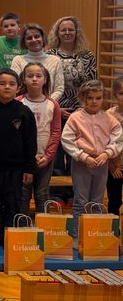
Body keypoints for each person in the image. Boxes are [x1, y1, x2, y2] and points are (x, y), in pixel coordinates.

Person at [0, 68, 37, 249]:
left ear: (18, 88)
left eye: (11, 84)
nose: (7, 87)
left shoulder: (24, 112)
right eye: (2, 83)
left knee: (13, 203)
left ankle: (10, 234)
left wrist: (29, 168)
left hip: (16, 169)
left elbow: (30, 142)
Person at [62, 79, 123, 224]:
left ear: (103, 98)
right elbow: (66, 140)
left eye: (98, 98)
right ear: (83, 98)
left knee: (97, 202)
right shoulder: (75, 118)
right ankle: (77, 233)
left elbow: (118, 139)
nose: (94, 101)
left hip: (102, 163)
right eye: (90, 98)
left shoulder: (109, 118)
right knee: (80, 201)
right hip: (81, 164)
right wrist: (83, 156)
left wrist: (107, 153)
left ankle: (94, 233)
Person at [17, 62, 61, 215]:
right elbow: (15, 134)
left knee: (42, 194)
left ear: (45, 79)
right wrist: (28, 156)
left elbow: (55, 132)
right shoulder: (18, 102)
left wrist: (48, 156)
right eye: (30, 76)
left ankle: (43, 225)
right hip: (23, 159)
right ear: (24, 79)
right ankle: (22, 225)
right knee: (23, 194)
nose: (34, 79)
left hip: (45, 159)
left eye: (38, 76)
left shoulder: (52, 104)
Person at [46, 16, 97, 123]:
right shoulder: (49, 55)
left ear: (76, 32)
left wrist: (84, 107)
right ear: (57, 33)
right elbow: (45, 86)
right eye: (63, 30)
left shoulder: (87, 56)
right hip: (55, 109)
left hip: (82, 110)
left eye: (71, 30)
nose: (67, 33)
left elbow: (93, 85)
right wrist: (56, 109)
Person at [11, 23, 64, 102]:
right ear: (24, 42)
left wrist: (45, 102)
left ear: (43, 38)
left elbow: (59, 88)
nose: (34, 40)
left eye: (37, 36)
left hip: (48, 105)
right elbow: (14, 86)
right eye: (29, 38)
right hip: (23, 105)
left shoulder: (55, 60)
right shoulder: (18, 60)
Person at [106, 75, 123, 217]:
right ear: (115, 95)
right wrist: (112, 166)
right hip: (115, 166)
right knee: (114, 200)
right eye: (122, 93)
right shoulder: (109, 115)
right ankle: (113, 226)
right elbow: (104, 143)